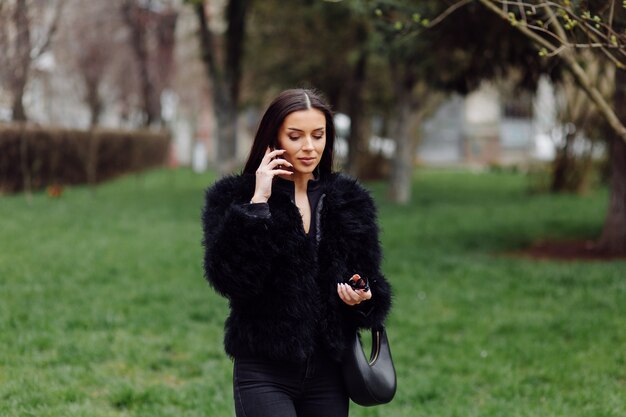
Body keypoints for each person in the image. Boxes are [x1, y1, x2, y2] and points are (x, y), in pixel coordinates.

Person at [201, 88, 392, 417]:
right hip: (263, 369)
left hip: (330, 371)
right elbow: (229, 278)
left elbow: (372, 283)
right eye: (295, 135)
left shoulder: (350, 200)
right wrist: (258, 204)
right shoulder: (235, 197)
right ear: (273, 138)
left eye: (318, 135)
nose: (309, 146)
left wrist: (361, 297)